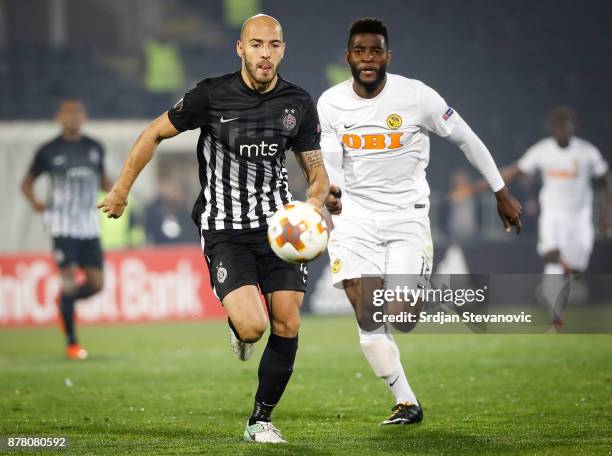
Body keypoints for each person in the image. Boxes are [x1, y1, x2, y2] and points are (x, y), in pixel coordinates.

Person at [98, 14, 328, 443]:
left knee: (288, 323)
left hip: (280, 230)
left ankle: (260, 419)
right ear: (240, 49)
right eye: (256, 44)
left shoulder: (297, 103)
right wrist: (121, 190)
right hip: (225, 229)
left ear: (283, 49)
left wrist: (312, 202)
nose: (265, 53)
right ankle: (238, 326)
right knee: (253, 328)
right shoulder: (212, 95)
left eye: (273, 45)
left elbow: (316, 171)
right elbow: (153, 134)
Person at [318, 18, 521, 425]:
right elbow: (331, 155)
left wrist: (500, 190)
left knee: (404, 318)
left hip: (406, 217)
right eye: (360, 51)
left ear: (388, 56)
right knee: (366, 312)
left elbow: (465, 137)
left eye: (376, 51)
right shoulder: (330, 103)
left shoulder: (417, 96)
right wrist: (333, 193)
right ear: (348, 57)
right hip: (355, 219)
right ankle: (406, 401)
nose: (368, 59)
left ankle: (417, 285)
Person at [461, 107, 609, 324]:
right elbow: (512, 171)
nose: (562, 130)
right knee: (551, 256)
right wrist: (475, 188)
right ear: (552, 129)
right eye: (558, 126)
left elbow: (605, 180)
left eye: (565, 125)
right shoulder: (543, 151)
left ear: (572, 127)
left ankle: (564, 275)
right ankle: (555, 315)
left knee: (575, 268)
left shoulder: (586, 153)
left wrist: (608, 212)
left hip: (579, 219)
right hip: (553, 215)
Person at [21, 99, 111, 360]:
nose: (73, 117)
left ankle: (64, 304)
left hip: (89, 227)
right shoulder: (48, 150)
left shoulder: (94, 147)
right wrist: (35, 202)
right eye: (68, 113)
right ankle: (72, 343)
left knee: (97, 284)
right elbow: (26, 183)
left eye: (78, 113)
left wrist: (116, 191)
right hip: (62, 225)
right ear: (58, 117)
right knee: (69, 283)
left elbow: (104, 180)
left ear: (84, 117)